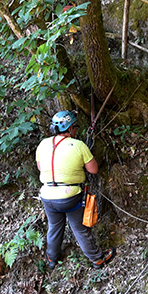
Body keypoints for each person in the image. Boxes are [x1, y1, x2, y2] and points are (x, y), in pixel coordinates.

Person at [36, 110, 115, 269]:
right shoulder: (78, 145)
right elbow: (93, 170)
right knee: (80, 228)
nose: (76, 130)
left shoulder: (43, 144)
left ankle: (52, 259)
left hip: (47, 195)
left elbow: (40, 167)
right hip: (69, 197)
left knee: (54, 227)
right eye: (75, 127)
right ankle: (97, 259)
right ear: (70, 128)